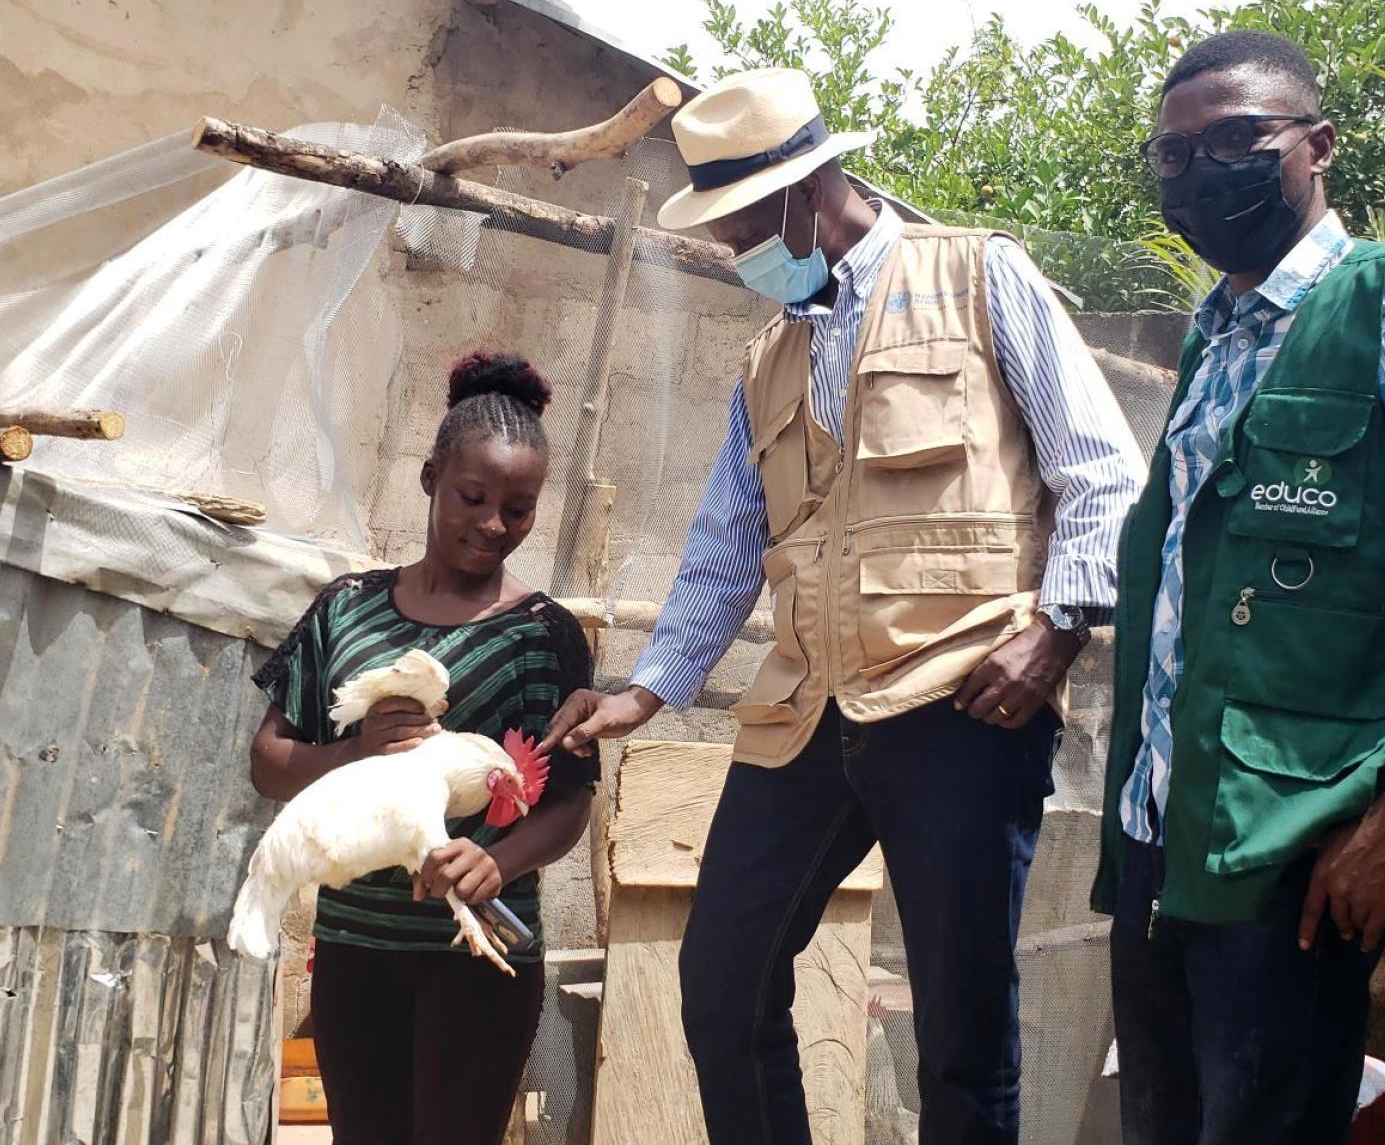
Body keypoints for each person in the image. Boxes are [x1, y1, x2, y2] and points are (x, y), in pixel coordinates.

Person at [541, 67, 1146, 1144]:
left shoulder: (978, 276)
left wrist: (1054, 635)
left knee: (961, 1030)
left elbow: (1103, 472)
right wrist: (646, 692)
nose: (737, 251)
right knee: (721, 982)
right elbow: (729, 543)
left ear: (809, 190)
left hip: (964, 696)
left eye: (744, 227)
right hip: (805, 711)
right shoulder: (768, 356)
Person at [1092, 30, 1385, 1144]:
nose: (1200, 172)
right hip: (1161, 830)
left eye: (1235, 140)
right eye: (1173, 155)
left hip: (1300, 849)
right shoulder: (1212, 342)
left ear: (1318, 145)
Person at [248, 353, 600, 1145]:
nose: (494, 524)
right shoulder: (346, 610)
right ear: (431, 477)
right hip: (355, 947)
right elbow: (268, 762)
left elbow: (570, 802)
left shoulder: (544, 637)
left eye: (519, 508)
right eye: (474, 498)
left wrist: (498, 863)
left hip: (480, 953)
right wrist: (353, 754)